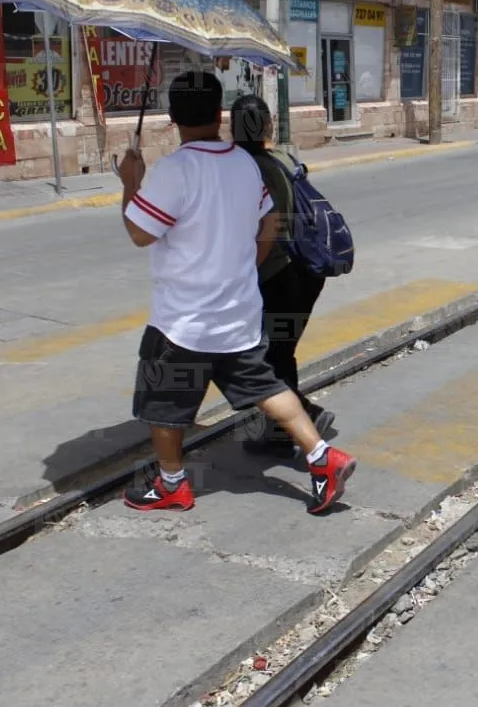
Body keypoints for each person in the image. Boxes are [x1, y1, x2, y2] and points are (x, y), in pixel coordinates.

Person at [117, 71, 356, 516]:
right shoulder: (244, 163)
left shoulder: (174, 170)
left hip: (183, 323)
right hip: (238, 314)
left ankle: (172, 484)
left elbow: (139, 233)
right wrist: (245, 264)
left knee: (163, 404)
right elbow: (268, 224)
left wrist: (130, 180)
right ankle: (324, 458)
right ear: (217, 114)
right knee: (266, 386)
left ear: (173, 119)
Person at [230, 95, 336, 454]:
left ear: (232, 130)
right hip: (305, 270)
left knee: (270, 357)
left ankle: (297, 428)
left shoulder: (241, 170)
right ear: (268, 127)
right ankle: (295, 421)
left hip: (276, 274)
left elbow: (262, 229)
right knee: (278, 353)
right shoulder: (283, 158)